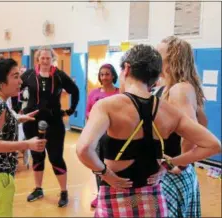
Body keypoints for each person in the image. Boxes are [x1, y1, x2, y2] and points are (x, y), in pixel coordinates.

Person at [76, 44, 221, 217]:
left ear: (127, 69)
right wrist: (169, 164)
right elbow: (213, 145)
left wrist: (104, 173)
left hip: (116, 195)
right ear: (156, 76)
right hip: (153, 198)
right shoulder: (169, 111)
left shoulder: (107, 106)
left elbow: (83, 149)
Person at [0, 58, 47, 217]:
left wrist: (17, 118)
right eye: (15, 76)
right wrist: (28, 144)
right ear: (0, 82)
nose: (20, 81)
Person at [155, 36, 209, 217]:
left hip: (174, 173)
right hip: (175, 171)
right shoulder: (176, 87)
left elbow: (193, 132)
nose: (154, 58)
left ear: (172, 59)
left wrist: (179, 164)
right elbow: (204, 122)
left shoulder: (179, 89)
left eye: (158, 54)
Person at [21, 46, 79, 207]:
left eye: (48, 58)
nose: (45, 61)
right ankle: (38, 189)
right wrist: (18, 110)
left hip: (54, 123)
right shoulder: (29, 75)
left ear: (52, 59)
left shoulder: (59, 76)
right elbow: (16, 89)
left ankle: (64, 191)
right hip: (32, 122)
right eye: (42, 58)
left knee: (55, 157)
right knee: (37, 156)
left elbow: (75, 90)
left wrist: (71, 110)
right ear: (38, 59)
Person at [86, 63, 119, 208]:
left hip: (116, 136)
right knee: (98, 165)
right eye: (102, 74)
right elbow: (88, 113)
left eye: (107, 74)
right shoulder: (93, 94)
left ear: (113, 76)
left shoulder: (120, 92)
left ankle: (115, 194)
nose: (104, 77)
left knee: (114, 165)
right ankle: (101, 195)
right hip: (99, 137)